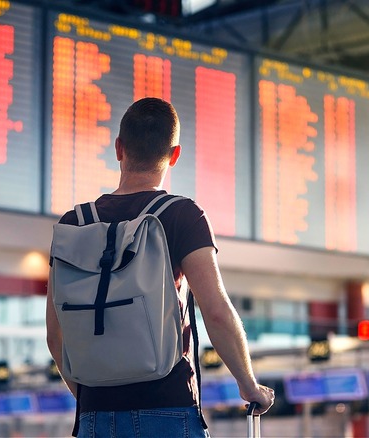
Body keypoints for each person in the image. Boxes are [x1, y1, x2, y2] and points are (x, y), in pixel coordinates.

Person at [46, 97, 275, 437]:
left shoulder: (73, 224)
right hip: (167, 407)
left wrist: (91, 397)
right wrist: (249, 386)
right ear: (175, 154)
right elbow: (216, 312)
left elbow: (55, 334)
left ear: (119, 148)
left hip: (94, 415)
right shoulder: (181, 215)